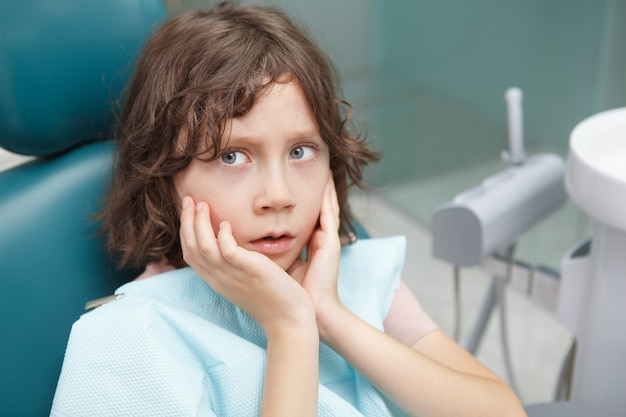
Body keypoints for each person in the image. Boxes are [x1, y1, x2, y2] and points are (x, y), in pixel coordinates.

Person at [51, 2, 527, 416]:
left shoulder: (356, 276)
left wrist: (330, 316)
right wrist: (290, 327)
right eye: (231, 156)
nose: (278, 195)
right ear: (162, 177)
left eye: (301, 151)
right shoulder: (125, 341)